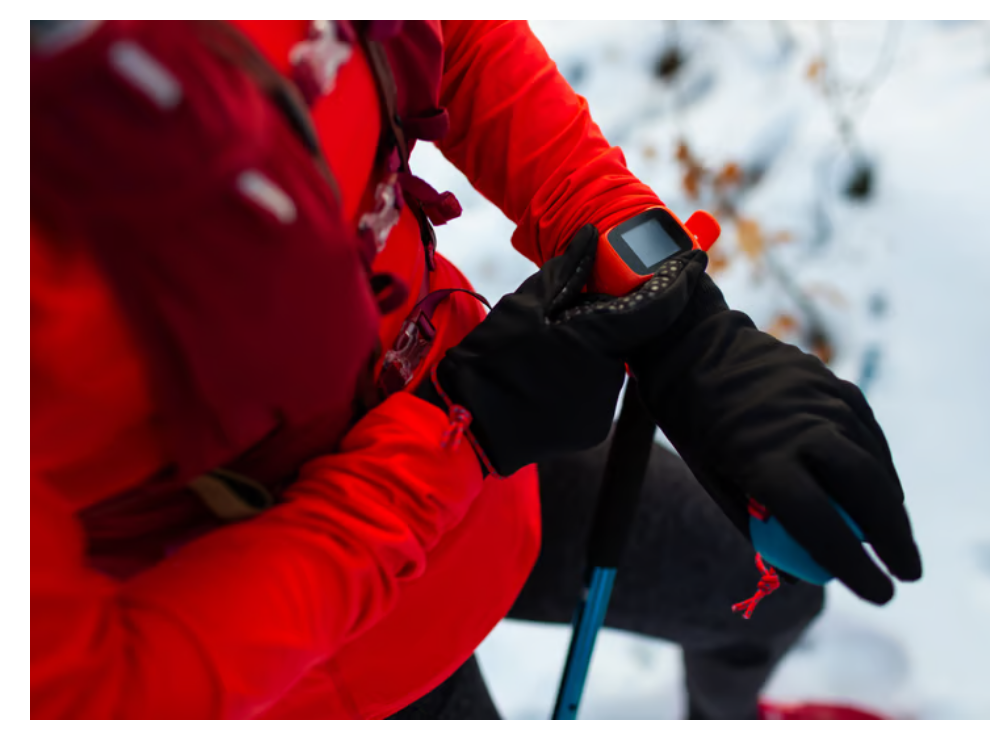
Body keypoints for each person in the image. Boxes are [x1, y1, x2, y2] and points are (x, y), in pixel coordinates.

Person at [31, 20, 921, 719]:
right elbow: (82, 694)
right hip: (305, 659)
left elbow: (448, 37)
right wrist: (463, 436)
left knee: (766, 592)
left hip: (486, 457)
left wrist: (673, 316)